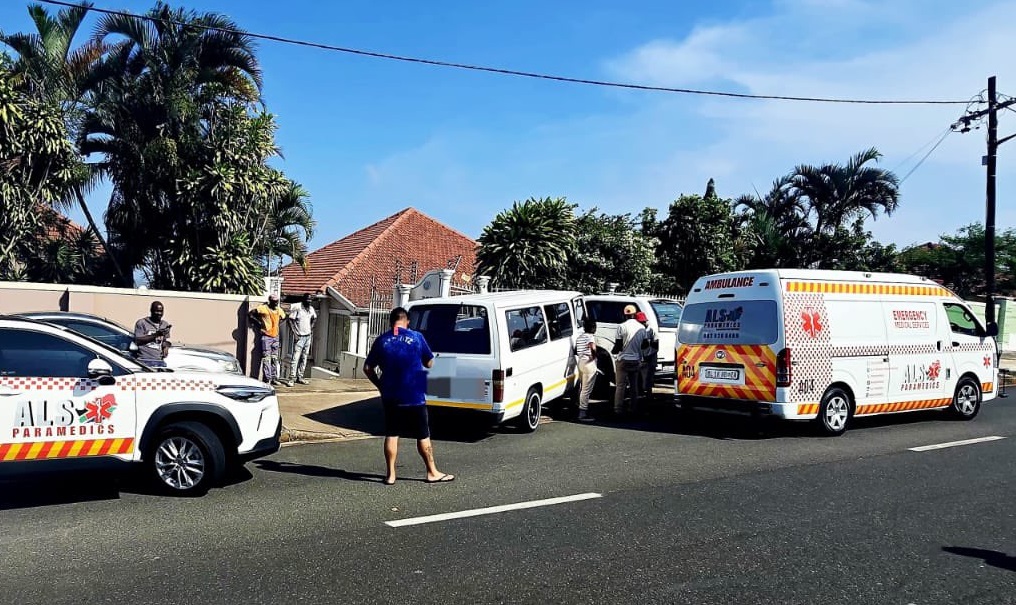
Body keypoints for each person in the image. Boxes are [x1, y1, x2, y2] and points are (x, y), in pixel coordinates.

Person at [364, 307, 454, 486]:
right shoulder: (417, 337)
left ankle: (391, 475)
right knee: (423, 434)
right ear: (407, 321)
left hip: (391, 395)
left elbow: (367, 368)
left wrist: (380, 385)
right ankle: (432, 472)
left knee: (392, 433)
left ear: (391, 322)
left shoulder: (381, 340)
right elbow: (429, 363)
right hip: (414, 394)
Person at [612, 304, 647, 416]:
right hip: (636, 360)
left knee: (620, 386)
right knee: (634, 385)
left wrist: (613, 351)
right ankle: (633, 408)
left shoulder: (621, 326)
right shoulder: (642, 328)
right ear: (634, 314)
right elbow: (645, 345)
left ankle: (618, 409)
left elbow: (618, 345)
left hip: (623, 359)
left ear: (625, 315)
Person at [249, 294, 290, 387]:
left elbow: (284, 317)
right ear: (270, 301)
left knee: (274, 358)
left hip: (275, 336)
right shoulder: (263, 308)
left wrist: (278, 324)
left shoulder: (278, 310)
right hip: (266, 336)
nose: (276, 304)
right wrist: (259, 323)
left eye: (277, 302)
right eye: (274, 302)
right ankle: (267, 378)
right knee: (266, 358)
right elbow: (251, 314)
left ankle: (274, 378)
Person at [287, 293, 317, 385]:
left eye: (310, 300)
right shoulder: (298, 308)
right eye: (308, 299)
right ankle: (292, 378)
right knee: (296, 357)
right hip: (299, 336)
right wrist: (294, 333)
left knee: (304, 357)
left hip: (308, 336)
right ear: (304, 300)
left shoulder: (311, 309)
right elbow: (290, 320)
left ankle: (300, 376)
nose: (309, 301)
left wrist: (311, 327)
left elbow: (314, 318)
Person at [134, 301, 172, 368]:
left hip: (159, 360)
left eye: (161, 311)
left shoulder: (164, 324)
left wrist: (166, 346)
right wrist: (156, 334)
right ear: (151, 311)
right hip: (144, 360)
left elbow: (164, 341)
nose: (159, 313)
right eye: (157, 311)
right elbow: (138, 341)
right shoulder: (142, 323)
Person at [575, 317, 598, 422]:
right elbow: (592, 347)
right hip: (589, 363)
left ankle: (580, 407)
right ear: (593, 328)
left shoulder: (580, 337)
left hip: (581, 362)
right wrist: (594, 357)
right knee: (586, 390)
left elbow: (577, 350)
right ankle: (582, 413)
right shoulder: (590, 337)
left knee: (582, 387)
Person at [637, 311, 659, 403]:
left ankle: (647, 396)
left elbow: (656, 345)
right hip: (641, 358)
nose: (643, 323)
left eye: (643, 322)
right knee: (640, 379)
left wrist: (648, 344)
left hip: (649, 358)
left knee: (648, 379)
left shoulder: (651, 330)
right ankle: (642, 395)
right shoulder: (638, 331)